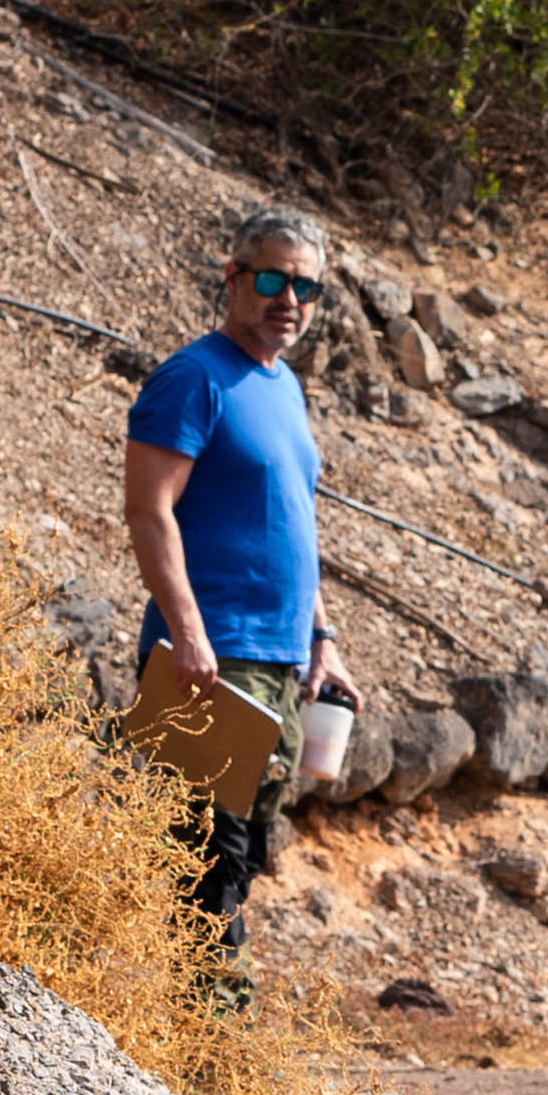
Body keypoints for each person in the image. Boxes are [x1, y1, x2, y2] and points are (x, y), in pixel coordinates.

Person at [122, 209, 357, 955]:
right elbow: (147, 509)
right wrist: (186, 633)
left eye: (306, 287)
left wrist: (321, 638)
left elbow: (292, 524)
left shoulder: (282, 386)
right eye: (272, 279)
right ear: (232, 279)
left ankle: (195, 1039)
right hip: (210, 665)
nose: (289, 299)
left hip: (279, 664)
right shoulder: (193, 378)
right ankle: (206, 1046)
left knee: (242, 855)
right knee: (204, 868)